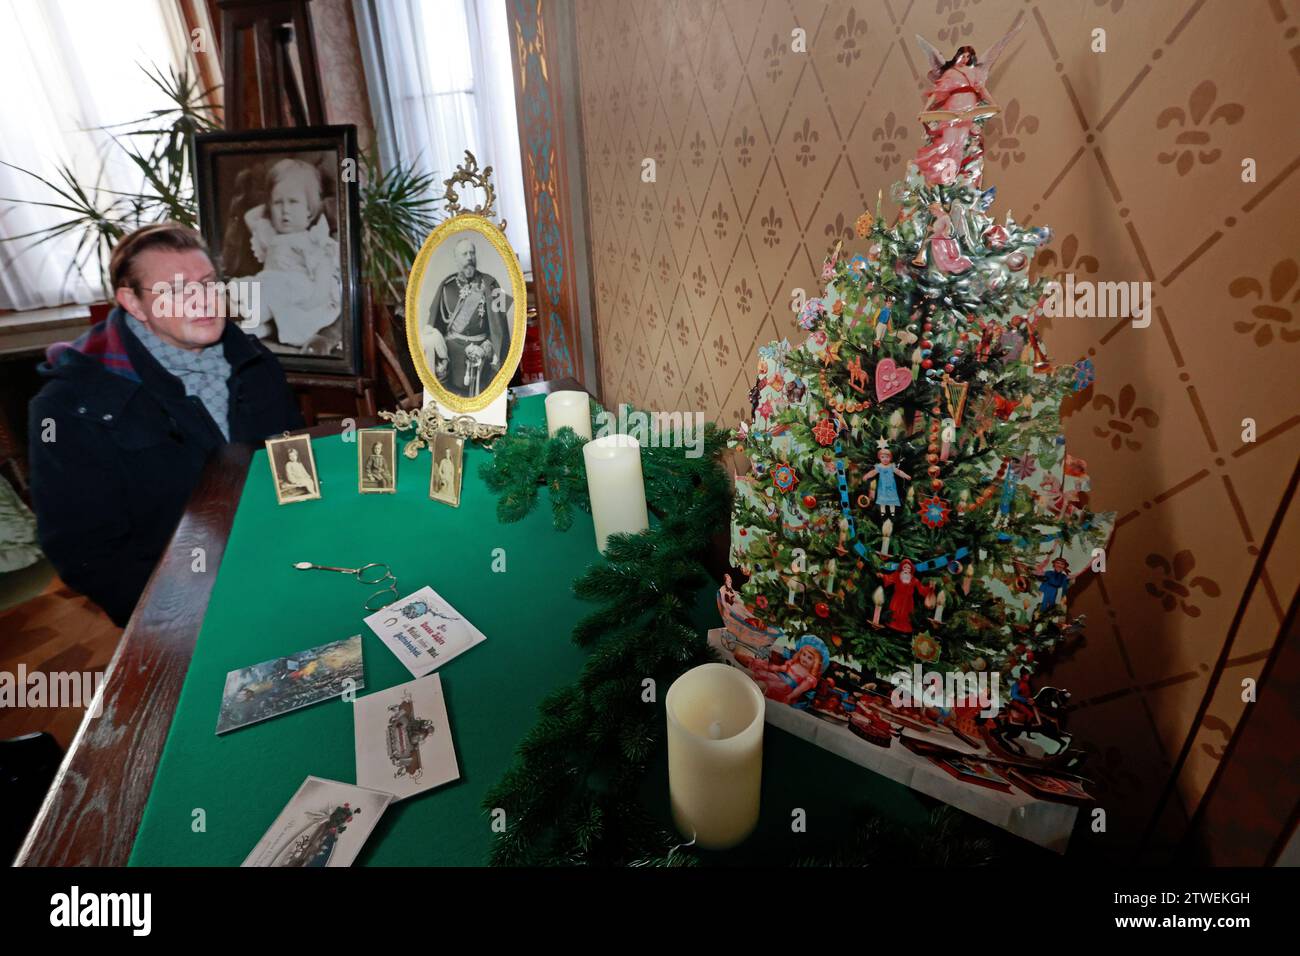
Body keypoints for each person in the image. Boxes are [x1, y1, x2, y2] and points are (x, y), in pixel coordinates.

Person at [28, 222, 303, 626]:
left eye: (208, 283)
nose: (203, 301)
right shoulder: (69, 406)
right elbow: (86, 553)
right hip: (180, 606)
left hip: (279, 561)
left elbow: (289, 457)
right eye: (175, 291)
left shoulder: (254, 361)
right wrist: (182, 615)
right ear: (134, 304)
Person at [235, 158, 341, 354]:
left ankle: (255, 318)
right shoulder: (270, 235)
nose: (285, 210)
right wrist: (270, 206)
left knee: (270, 292)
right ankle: (257, 327)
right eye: (277, 203)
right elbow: (250, 216)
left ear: (309, 210)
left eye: (293, 202)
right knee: (248, 287)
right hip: (273, 288)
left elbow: (323, 274)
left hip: (301, 294)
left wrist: (313, 300)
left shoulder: (312, 240)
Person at [423, 238, 511, 398]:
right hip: (453, 361)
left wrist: (487, 347)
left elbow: (502, 328)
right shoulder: (445, 286)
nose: (469, 257)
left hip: (484, 356)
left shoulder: (492, 284)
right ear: (456, 259)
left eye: (472, 253)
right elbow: (435, 329)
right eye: (464, 254)